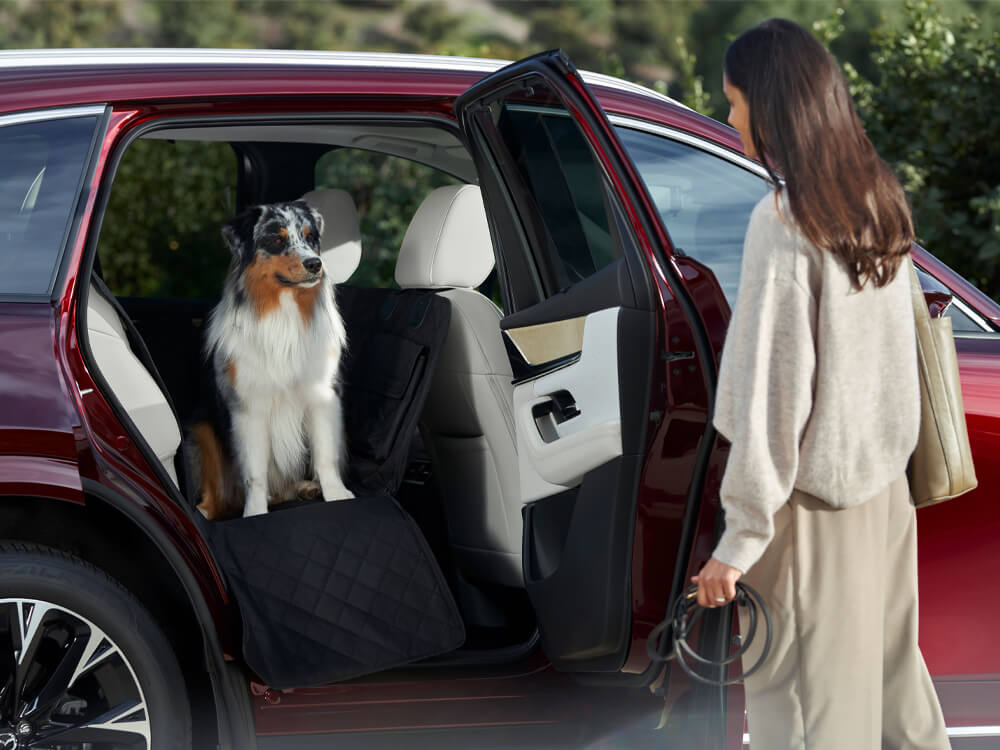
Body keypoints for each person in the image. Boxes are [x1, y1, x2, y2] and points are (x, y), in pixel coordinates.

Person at [691, 18, 951, 750]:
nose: (729, 119)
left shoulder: (783, 222)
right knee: (896, 707)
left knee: (809, 723)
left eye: (735, 103)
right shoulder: (875, 203)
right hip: (883, 502)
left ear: (771, 107)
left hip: (808, 516)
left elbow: (777, 397)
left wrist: (739, 542)